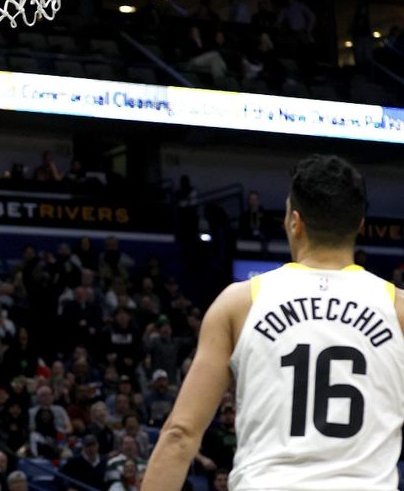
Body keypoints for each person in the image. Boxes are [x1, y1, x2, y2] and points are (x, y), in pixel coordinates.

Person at [142, 154, 404, 490]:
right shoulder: (397, 309)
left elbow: (181, 434)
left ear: (294, 221)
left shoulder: (239, 303)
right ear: (360, 225)